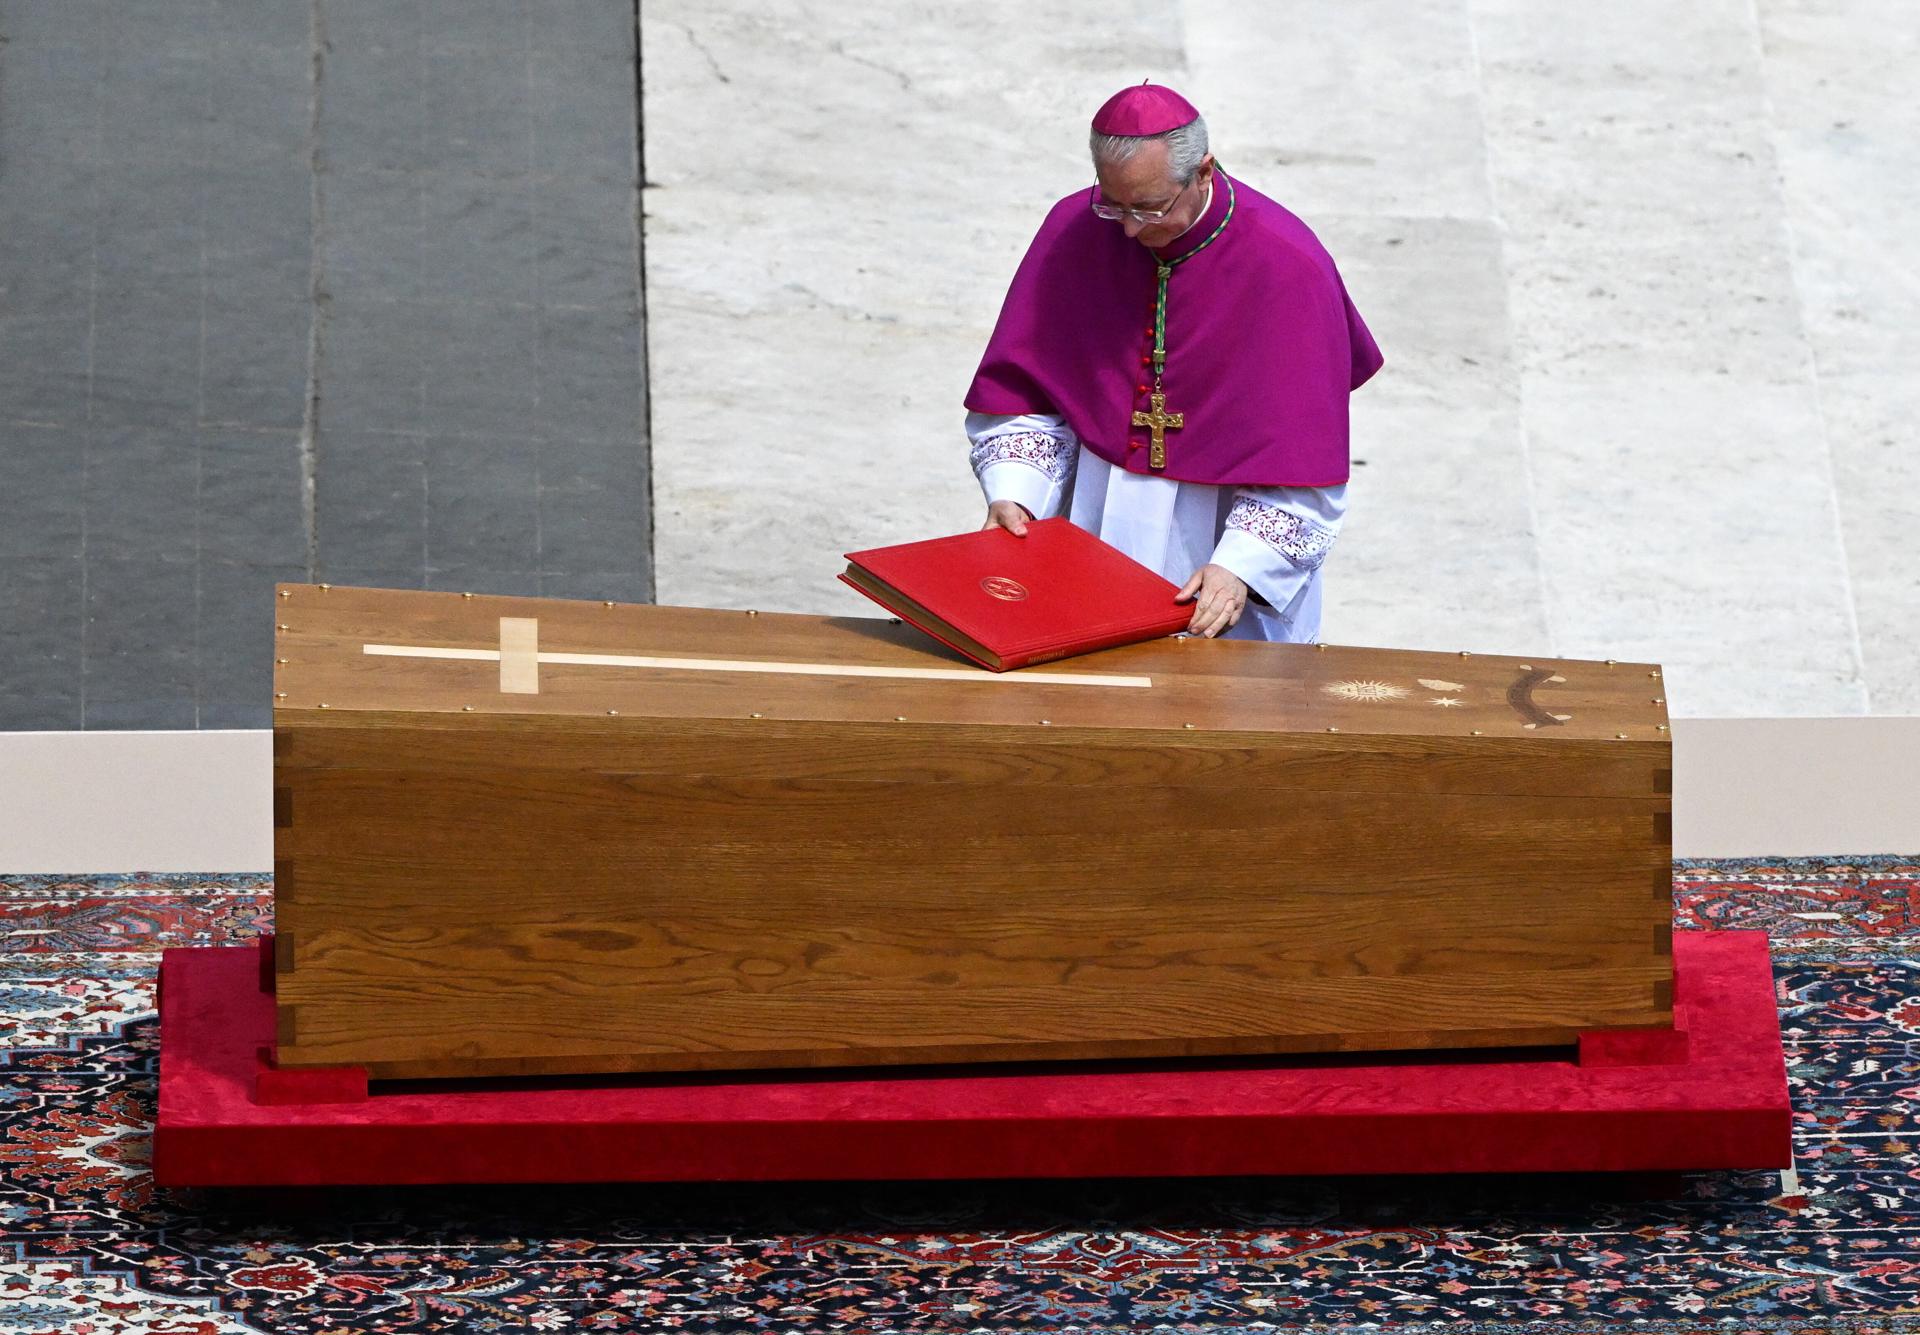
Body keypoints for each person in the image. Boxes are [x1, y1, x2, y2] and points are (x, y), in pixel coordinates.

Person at [965, 82, 1383, 641]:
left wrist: (1242, 567)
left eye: (1150, 207)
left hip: (1215, 558)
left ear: (1204, 171)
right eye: (1116, 205)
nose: (1131, 229)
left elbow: (1303, 458)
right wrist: (1015, 491)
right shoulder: (1078, 228)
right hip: (1090, 523)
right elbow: (1029, 391)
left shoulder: (1288, 267)